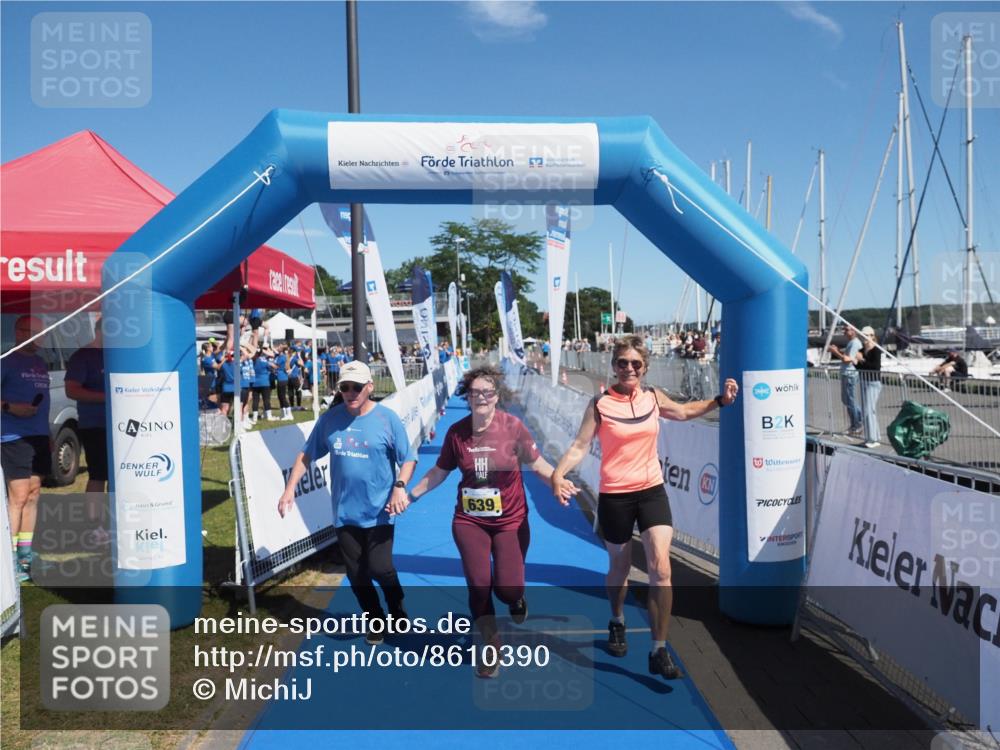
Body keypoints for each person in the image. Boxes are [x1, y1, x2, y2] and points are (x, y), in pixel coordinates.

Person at [552, 335, 739, 680]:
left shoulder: (653, 397)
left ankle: (659, 649)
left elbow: (683, 411)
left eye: (635, 363)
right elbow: (580, 445)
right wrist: (558, 474)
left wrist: (720, 401)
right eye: (622, 362)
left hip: (652, 491)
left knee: (661, 568)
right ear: (614, 366)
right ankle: (617, 619)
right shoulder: (600, 404)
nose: (629, 368)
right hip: (615, 496)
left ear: (644, 368)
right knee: (620, 569)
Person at [396, 366, 577, 678]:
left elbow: (537, 464)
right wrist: (410, 495)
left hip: (511, 520)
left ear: (497, 396)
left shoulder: (513, 427)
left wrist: (557, 481)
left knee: (508, 590)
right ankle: (490, 646)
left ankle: (517, 598)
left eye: (487, 392)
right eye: (475, 392)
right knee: (479, 586)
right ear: (467, 396)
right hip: (470, 521)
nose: (480, 397)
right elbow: (439, 471)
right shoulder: (457, 432)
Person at [278, 361, 416, 644]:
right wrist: (289, 488)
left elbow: (408, 458)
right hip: (344, 513)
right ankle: (375, 618)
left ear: (370, 387)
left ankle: (397, 607)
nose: (350, 392)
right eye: (345, 387)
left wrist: (399, 487)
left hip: (380, 511)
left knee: (381, 568)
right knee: (357, 573)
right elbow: (306, 456)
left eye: (356, 387)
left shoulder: (387, 419)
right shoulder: (330, 420)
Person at [1, 316, 51, 582]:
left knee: (33, 494)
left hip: (39, 436)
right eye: (32, 332)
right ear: (18, 332)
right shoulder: (6, 360)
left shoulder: (40, 363)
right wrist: (10, 407)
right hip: (14, 436)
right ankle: (7, 561)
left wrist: (49, 432)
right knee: (18, 497)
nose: (38, 337)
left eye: (41, 333)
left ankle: (25, 556)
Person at [65, 319, 110, 541]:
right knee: (98, 474)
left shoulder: (119, 354)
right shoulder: (83, 356)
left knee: (120, 476)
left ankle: (116, 522)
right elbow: (72, 390)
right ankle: (94, 526)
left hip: (123, 426)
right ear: (101, 330)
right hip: (95, 425)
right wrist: (107, 398)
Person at [827, 325, 863, 436]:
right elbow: (848, 357)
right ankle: (857, 423)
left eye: (847, 330)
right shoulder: (852, 343)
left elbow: (847, 360)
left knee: (850, 401)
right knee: (847, 400)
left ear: (853, 331)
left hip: (849, 374)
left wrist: (834, 352)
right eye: (844, 330)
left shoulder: (854, 343)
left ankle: (856, 425)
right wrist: (837, 350)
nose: (845, 332)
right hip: (847, 374)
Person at [855, 326, 882, 449]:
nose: (864, 338)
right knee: (868, 410)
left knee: (868, 410)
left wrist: (862, 360)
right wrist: (857, 362)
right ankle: (871, 437)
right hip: (864, 381)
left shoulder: (876, 350)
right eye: (862, 335)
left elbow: (875, 367)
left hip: (873, 383)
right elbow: (860, 368)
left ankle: (873, 439)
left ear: (872, 335)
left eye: (866, 335)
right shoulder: (861, 349)